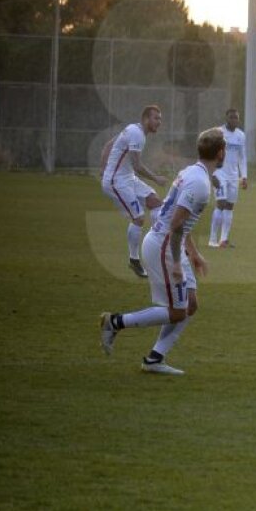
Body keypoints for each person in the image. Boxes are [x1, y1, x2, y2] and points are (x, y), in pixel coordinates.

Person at [99, 127, 225, 375]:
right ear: (221, 153)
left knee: (190, 304)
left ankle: (155, 359)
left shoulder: (191, 172)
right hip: (164, 246)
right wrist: (178, 262)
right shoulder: (199, 183)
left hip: (167, 242)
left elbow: (179, 220)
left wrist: (194, 253)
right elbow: (176, 224)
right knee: (177, 311)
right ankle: (114, 322)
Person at [100, 105, 168, 278]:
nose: (159, 122)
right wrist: (156, 178)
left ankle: (159, 245)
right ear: (146, 119)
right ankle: (134, 260)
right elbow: (138, 166)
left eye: (160, 119)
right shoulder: (136, 133)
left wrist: (103, 167)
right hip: (116, 182)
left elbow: (108, 145)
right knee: (138, 218)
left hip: (127, 178)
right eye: (156, 118)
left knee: (155, 202)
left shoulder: (133, 130)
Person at [209, 108, 248, 248]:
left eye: (236, 118)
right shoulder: (218, 133)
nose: (234, 120)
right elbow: (210, 153)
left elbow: (242, 157)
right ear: (226, 119)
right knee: (221, 203)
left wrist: (244, 176)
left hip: (233, 175)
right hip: (219, 173)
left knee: (230, 206)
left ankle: (223, 240)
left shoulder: (241, 135)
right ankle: (212, 240)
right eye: (231, 117)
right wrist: (212, 173)